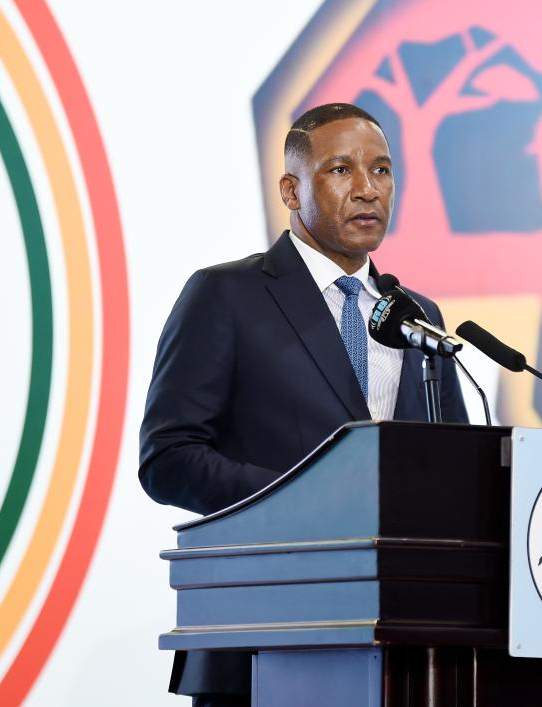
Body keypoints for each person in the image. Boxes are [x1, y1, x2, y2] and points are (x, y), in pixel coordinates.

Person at [139, 103, 468, 706]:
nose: (367, 189)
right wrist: (301, 501)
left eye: (382, 170)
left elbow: (454, 473)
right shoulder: (226, 295)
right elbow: (168, 457)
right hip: (263, 636)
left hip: (404, 650)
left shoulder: (417, 317)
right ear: (292, 191)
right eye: (341, 170)